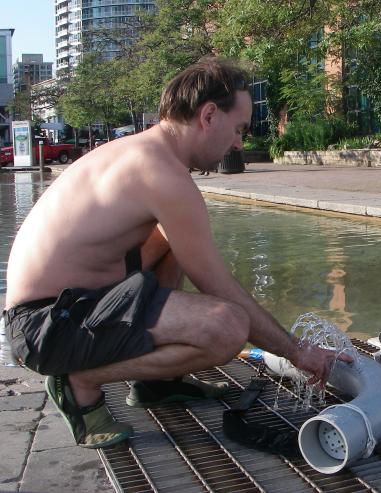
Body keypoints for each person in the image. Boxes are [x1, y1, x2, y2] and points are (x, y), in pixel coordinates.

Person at [3, 57, 351, 449]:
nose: (239, 143)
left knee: (172, 241)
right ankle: (79, 382)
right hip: (46, 326)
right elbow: (217, 285)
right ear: (208, 115)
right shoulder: (161, 173)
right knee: (227, 328)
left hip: (57, 312)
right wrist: (296, 351)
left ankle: (157, 381)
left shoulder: (143, 152)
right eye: (238, 129)